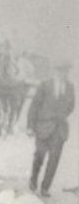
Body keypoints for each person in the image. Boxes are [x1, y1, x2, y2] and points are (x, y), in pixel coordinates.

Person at [27, 61, 75, 196]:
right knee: (39, 155)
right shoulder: (45, 85)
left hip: (60, 129)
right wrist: (30, 126)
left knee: (54, 159)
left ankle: (45, 187)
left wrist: (61, 116)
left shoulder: (70, 87)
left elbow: (71, 106)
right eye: (60, 71)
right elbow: (34, 106)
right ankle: (33, 179)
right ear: (55, 72)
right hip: (43, 127)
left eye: (65, 71)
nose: (63, 74)